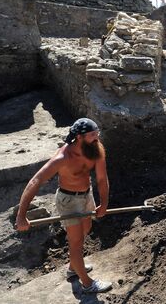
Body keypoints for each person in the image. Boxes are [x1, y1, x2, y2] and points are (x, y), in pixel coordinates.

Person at [15, 118, 112, 294]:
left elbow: (101, 179)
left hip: (86, 196)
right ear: (80, 137)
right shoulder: (63, 157)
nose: (97, 137)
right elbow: (35, 181)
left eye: (97, 133)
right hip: (68, 201)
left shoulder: (95, 148)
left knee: (86, 229)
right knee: (76, 243)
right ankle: (87, 284)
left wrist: (103, 204)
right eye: (92, 134)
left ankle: (74, 268)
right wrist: (21, 215)